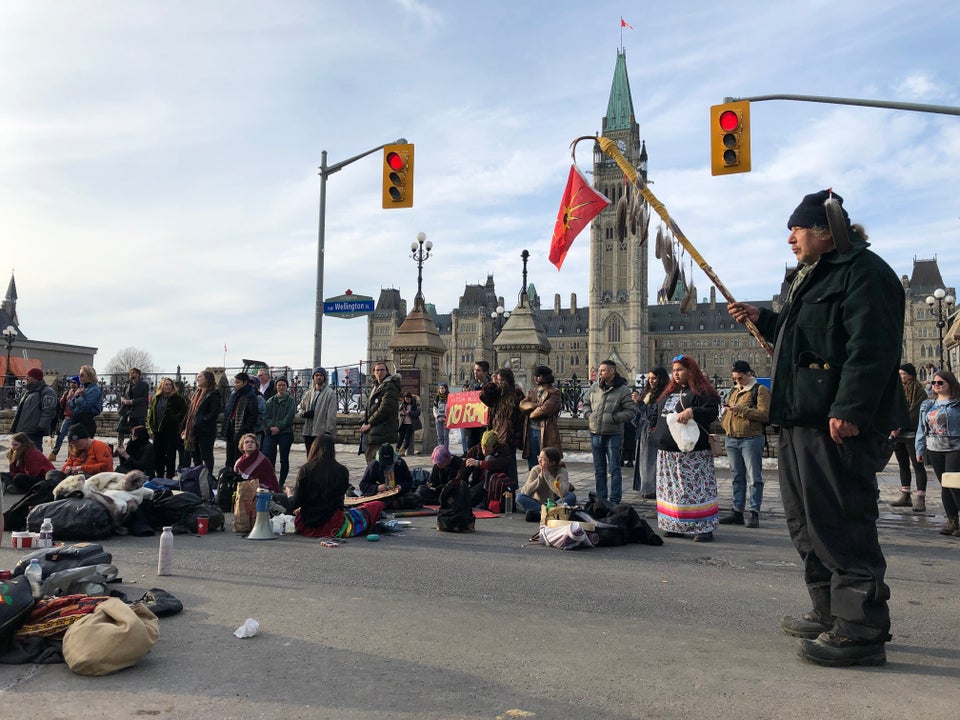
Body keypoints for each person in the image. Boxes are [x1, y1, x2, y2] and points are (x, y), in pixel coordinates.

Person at [728, 189, 903, 667]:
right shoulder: (816, 276)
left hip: (834, 424)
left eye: (797, 229)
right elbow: (806, 335)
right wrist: (765, 318)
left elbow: (871, 349)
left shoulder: (865, 274)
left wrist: (849, 407)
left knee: (841, 521)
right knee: (805, 522)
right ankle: (829, 610)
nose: (790, 238)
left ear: (825, 232)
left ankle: (861, 627)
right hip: (799, 419)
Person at [650, 355, 721, 543]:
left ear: (691, 371)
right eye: (674, 370)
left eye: (680, 369)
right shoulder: (669, 393)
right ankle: (674, 524)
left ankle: (703, 527)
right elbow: (656, 413)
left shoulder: (702, 393)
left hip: (693, 454)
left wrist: (693, 411)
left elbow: (712, 411)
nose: (676, 373)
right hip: (668, 453)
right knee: (671, 491)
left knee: (694, 490)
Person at [286, 435, 385, 538]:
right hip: (333, 523)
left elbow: (295, 503)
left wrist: (289, 494)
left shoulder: (305, 469)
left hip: (306, 524)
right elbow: (339, 503)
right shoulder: (342, 471)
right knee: (375, 505)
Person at [718, 360, 771, 528]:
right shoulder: (734, 390)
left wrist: (740, 410)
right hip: (732, 437)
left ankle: (754, 512)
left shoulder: (760, 390)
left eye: (740, 378)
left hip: (751, 438)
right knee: (737, 477)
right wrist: (725, 422)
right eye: (735, 379)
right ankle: (737, 512)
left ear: (748, 374)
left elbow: (764, 415)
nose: (737, 381)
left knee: (754, 478)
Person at [582, 359, 637, 506]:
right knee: (599, 470)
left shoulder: (623, 390)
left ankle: (615, 500)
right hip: (595, 432)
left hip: (613, 434)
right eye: (599, 370)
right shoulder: (594, 388)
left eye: (603, 370)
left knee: (614, 469)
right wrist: (588, 415)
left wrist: (614, 418)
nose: (599, 373)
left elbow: (631, 411)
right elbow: (585, 403)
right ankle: (601, 499)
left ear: (612, 371)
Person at [915, 369, 960, 537]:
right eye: (934, 383)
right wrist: (919, 449)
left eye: (940, 382)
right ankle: (952, 519)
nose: (936, 385)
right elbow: (922, 428)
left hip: (955, 447)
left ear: (950, 384)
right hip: (934, 447)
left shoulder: (957, 402)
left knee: (954, 484)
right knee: (945, 485)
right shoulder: (928, 404)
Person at [889, 363, 929, 512]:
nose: (901, 377)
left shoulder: (919, 391)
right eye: (899, 374)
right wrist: (892, 426)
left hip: (912, 434)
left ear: (911, 375)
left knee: (918, 466)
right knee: (903, 465)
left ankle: (920, 498)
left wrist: (900, 427)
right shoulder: (898, 391)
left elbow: (914, 413)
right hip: (898, 435)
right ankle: (906, 495)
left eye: (903, 374)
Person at [479, 367, 525, 484]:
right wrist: (492, 383)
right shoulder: (496, 393)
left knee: (510, 467)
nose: (500, 382)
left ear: (509, 380)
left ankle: (510, 492)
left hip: (509, 437)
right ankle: (493, 491)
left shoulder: (517, 394)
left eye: (502, 380)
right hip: (495, 434)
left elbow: (521, 417)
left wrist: (517, 436)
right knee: (493, 464)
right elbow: (483, 396)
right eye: (499, 380)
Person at [632, 367, 670, 498]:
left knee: (650, 461)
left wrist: (640, 403)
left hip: (653, 430)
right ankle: (645, 487)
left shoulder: (662, 394)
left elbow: (652, 414)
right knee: (642, 460)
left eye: (654, 378)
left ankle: (651, 489)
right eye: (649, 378)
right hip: (643, 429)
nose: (651, 381)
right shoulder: (647, 392)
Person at [520, 365, 562, 471]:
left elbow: (545, 410)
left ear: (545, 377)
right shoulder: (534, 391)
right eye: (535, 376)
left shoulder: (554, 392)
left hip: (545, 431)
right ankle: (534, 483)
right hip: (531, 430)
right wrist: (536, 406)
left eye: (538, 376)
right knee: (532, 461)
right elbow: (522, 405)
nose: (535, 378)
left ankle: (546, 484)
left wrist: (531, 413)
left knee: (546, 461)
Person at [459, 430, 514, 506]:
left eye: (487, 450)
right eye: (483, 448)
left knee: (489, 458)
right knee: (465, 498)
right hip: (479, 483)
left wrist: (481, 463)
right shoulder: (474, 451)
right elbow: (463, 471)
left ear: (495, 446)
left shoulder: (503, 449)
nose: (484, 452)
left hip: (496, 483)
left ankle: (485, 496)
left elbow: (501, 463)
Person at [146, 377, 188, 479]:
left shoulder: (178, 398)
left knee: (170, 454)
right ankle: (159, 474)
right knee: (158, 454)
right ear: (162, 386)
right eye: (166, 384)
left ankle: (169, 475)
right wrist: (151, 425)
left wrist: (175, 418)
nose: (168, 386)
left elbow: (184, 412)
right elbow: (151, 412)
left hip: (170, 431)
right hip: (157, 431)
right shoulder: (156, 398)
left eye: (170, 385)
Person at [359, 362, 401, 463]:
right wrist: (364, 421)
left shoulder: (390, 386)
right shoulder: (376, 386)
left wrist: (370, 423)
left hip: (383, 431)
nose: (379, 372)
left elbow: (385, 408)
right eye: (377, 370)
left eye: (382, 370)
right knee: (372, 461)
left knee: (378, 463)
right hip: (376, 431)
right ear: (374, 372)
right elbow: (371, 408)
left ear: (387, 371)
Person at [182, 369, 221, 474]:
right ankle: (198, 476)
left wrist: (201, 421)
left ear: (207, 379)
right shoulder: (197, 393)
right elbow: (191, 411)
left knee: (206, 455)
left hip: (205, 430)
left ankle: (208, 477)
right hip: (194, 430)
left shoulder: (213, 394)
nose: (197, 379)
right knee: (195, 455)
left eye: (200, 377)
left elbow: (213, 413)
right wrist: (185, 425)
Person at [516, 447, 576, 514]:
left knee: (571, 496)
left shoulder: (562, 472)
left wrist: (548, 475)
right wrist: (541, 476)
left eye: (543, 459)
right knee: (519, 497)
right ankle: (549, 512)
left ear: (552, 463)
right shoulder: (536, 469)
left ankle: (542, 513)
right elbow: (525, 492)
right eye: (539, 457)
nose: (539, 460)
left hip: (555, 503)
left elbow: (563, 492)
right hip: (538, 503)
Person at [10, 367, 58, 452]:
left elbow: (48, 411)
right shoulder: (28, 392)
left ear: (36, 378)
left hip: (34, 431)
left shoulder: (46, 391)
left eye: (28, 376)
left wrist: (41, 427)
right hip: (23, 430)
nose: (26, 378)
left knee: (35, 453)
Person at [358, 443, 415, 509]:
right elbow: (363, 485)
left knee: (414, 499)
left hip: (397, 495)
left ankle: (388, 504)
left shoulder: (400, 463)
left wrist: (401, 486)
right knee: (369, 500)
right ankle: (388, 504)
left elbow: (409, 481)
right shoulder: (374, 465)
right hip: (379, 494)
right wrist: (377, 488)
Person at [262, 377, 296, 485]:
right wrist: (271, 427)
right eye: (279, 385)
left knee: (283, 459)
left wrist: (279, 427)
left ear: (287, 387)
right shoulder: (270, 401)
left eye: (283, 385)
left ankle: (281, 483)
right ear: (276, 386)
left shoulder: (290, 401)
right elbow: (265, 416)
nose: (281, 387)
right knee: (268, 456)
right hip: (271, 433)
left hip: (285, 433)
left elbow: (289, 417)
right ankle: (270, 481)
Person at [299, 367, 338, 456]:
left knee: (321, 457)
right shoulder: (308, 393)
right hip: (308, 431)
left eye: (320, 375)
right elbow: (301, 408)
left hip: (321, 431)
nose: (318, 377)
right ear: (313, 377)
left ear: (324, 377)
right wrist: (304, 414)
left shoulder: (330, 393)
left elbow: (331, 414)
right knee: (310, 456)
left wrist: (329, 431)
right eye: (316, 375)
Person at [223, 372, 258, 468]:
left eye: (238, 382)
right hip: (231, 427)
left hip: (242, 430)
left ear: (245, 382)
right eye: (235, 382)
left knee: (239, 456)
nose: (236, 384)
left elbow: (253, 415)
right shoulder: (234, 394)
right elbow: (228, 411)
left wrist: (245, 428)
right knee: (229, 455)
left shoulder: (251, 396)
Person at [48, 375, 79, 461]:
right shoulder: (67, 392)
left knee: (72, 437)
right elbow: (61, 404)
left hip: (76, 418)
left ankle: (70, 456)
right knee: (61, 436)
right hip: (68, 417)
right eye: (71, 382)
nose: (72, 384)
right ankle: (54, 452)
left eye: (74, 383)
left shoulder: (80, 393)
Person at [463, 360, 492, 453]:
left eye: (478, 370)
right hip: (473, 422)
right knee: (472, 449)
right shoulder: (472, 385)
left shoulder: (491, 386)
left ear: (485, 372)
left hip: (485, 423)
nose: (475, 372)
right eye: (475, 370)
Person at [67, 365, 103, 438]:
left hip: (86, 420)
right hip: (76, 419)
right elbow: (70, 405)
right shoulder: (81, 388)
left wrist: (78, 397)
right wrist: (75, 397)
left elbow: (86, 406)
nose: (80, 377)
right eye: (79, 375)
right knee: (73, 447)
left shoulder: (94, 390)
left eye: (82, 375)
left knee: (84, 446)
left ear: (89, 376)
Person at [117, 367, 149, 446]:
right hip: (126, 410)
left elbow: (144, 399)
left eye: (133, 372)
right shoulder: (127, 384)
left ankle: (135, 446)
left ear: (138, 374)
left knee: (137, 431)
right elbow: (122, 395)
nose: (131, 374)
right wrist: (123, 400)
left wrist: (132, 401)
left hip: (138, 411)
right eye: (130, 373)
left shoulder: (144, 385)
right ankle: (120, 446)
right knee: (120, 429)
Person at [396, 392, 422, 456]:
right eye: (405, 399)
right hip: (403, 423)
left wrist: (409, 412)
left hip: (410, 424)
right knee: (400, 438)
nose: (407, 401)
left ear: (411, 399)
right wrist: (402, 413)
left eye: (408, 399)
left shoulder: (415, 404)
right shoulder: (402, 404)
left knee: (407, 439)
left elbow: (417, 413)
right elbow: (399, 412)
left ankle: (402, 452)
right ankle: (396, 451)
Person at [434, 382, 450, 449]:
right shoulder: (437, 398)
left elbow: (451, 408)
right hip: (439, 419)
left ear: (446, 389)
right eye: (440, 388)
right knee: (440, 436)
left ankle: (445, 451)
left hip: (447, 419)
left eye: (443, 388)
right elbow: (434, 408)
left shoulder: (449, 397)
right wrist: (437, 416)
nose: (441, 390)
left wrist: (446, 417)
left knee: (445, 436)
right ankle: (440, 451)